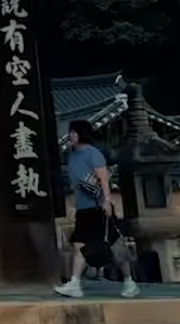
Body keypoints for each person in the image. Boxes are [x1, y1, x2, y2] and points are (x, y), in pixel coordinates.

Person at [54, 120, 139, 299]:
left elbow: (103, 178)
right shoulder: (72, 156)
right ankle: (75, 283)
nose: (71, 136)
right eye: (71, 132)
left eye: (74, 132)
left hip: (98, 207)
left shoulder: (93, 154)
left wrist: (107, 201)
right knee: (79, 244)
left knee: (114, 245)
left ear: (82, 134)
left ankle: (129, 281)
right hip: (83, 208)